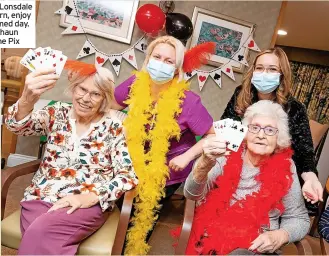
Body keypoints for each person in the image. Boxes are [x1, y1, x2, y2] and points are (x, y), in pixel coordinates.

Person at [5, 62, 138, 255]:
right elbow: (16, 126)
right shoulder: (55, 113)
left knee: (40, 232)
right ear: (73, 88)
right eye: (82, 89)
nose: (86, 98)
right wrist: (27, 100)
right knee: (40, 234)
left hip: (85, 204)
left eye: (95, 94)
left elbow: (128, 176)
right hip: (41, 197)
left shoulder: (112, 128)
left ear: (104, 99)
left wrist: (89, 197)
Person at [111, 36, 214, 254]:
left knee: (140, 215)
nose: (161, 63)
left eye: (169, 61)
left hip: (168, 169)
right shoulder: (134, 84)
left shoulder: (189, 101)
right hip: (130, 160)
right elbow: (109, 104)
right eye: (157, 57)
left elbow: (211, 136)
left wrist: (187, 157)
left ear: (177, 69)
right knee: (119, 208)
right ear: (148, 59)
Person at [183, 100, 310, 255]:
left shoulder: (287, 167)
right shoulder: (226, 155)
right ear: (246, 132)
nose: (261, 135)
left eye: (270, 130)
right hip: (214, 240)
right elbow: (191, 193)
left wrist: (280, 235)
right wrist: (203, 164)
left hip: (257, 248)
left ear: (279, 138)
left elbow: (300, 219)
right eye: (255, 128)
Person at [221, 47, 323, 207]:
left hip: (273, 178)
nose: (264, 73)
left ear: (282, 74)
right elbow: (225, 131)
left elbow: (305, 153)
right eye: (260, 68)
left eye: (272, 69)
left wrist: (310, 178)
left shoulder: (295, 108)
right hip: (238, 168)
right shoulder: (240, 94)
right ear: (253, 70)